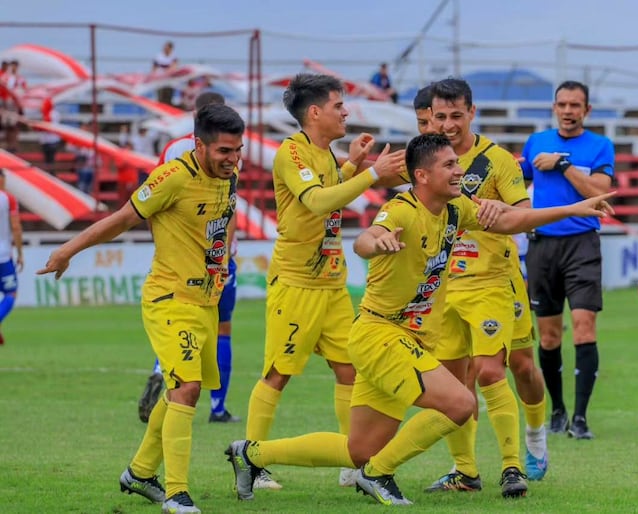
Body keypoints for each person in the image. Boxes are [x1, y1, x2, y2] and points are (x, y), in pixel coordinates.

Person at [224, 133, 614, 506]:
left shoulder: (455, 208)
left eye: (458, 163)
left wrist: (574, 209)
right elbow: (365, 239)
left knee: (357, 448)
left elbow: (511, 222)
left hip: (396, 340)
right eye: (449, 165)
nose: (459, 170)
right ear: (422, 175)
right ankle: (378, 474)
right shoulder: (401, 210)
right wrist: (375, 243)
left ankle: (251, 453)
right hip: (382, 336)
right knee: (461, 404)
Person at [38, 103, 245, 514]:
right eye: (224, 150)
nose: (232, 159)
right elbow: (120, 220)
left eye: (237, 150)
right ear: (199, 145)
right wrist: (67, 251)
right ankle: (176, 493)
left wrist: (223, 260)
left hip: (205, 299)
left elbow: (226, 217)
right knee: (185, 389)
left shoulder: (230, 177)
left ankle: (139, 473)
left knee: (183, 390)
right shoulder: (172, 177)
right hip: (169, 299)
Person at [240, 73, 406, 490]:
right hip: (296, 283)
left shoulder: (326, 156)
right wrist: (370, 174)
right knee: (279, 373)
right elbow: (316, 201)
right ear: (314, 112)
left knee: (350, 370)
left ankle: (353, 460)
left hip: (332, 283)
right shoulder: (291, 154)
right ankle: (253, 459)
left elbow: (331, 187)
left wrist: (351, 164)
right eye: (338, 105)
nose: (346, 111)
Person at [423, 78, 548, 497]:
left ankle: (523, 454)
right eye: (440, 116)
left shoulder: (496, 160)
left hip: (495, 280)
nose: (448, 124)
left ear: (471, 113)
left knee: (514, 367)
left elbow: (524, 212)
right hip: (445, 286)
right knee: (456, 385)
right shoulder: (425, 157)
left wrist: (503, 207)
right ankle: (465, 471)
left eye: (456, 115)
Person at [137, 92, 242, 425]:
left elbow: (154, 203)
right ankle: (218, 407)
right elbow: (228, 204)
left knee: (182, 324)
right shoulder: (226, 151)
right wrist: (226, 250)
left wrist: (163, 242)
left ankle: (161, 369)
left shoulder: (175, 149)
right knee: (222, 329)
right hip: (215, 258)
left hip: (184, 257)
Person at [520, 80, 614, 440]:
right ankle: (557, 410)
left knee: (585, 327)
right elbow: (517, 189)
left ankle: (581, 417)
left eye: (576, 105)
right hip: (543, 246)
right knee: (547, 337)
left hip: (582, 245)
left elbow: (601, 193)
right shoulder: (536, 142)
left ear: (587, 110)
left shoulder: (600, 146)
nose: (568, 111)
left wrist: (563, 166)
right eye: (562, 104)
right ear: (554, 107)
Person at [0, 169, 23, 345]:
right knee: (11, 293)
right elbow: (15, 227)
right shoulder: (8, 199)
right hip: (3, 256)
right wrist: (20, 253)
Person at [152, 41, 178, 106]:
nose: (165, 48)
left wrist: (166, 72)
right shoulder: (158, 56)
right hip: (159, 81)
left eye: (167, 47)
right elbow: (154, 68)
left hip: (169, 81)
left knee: (168, 99)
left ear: (170, 48)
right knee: (160, 98)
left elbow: (174, 67)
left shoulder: (173, 57)